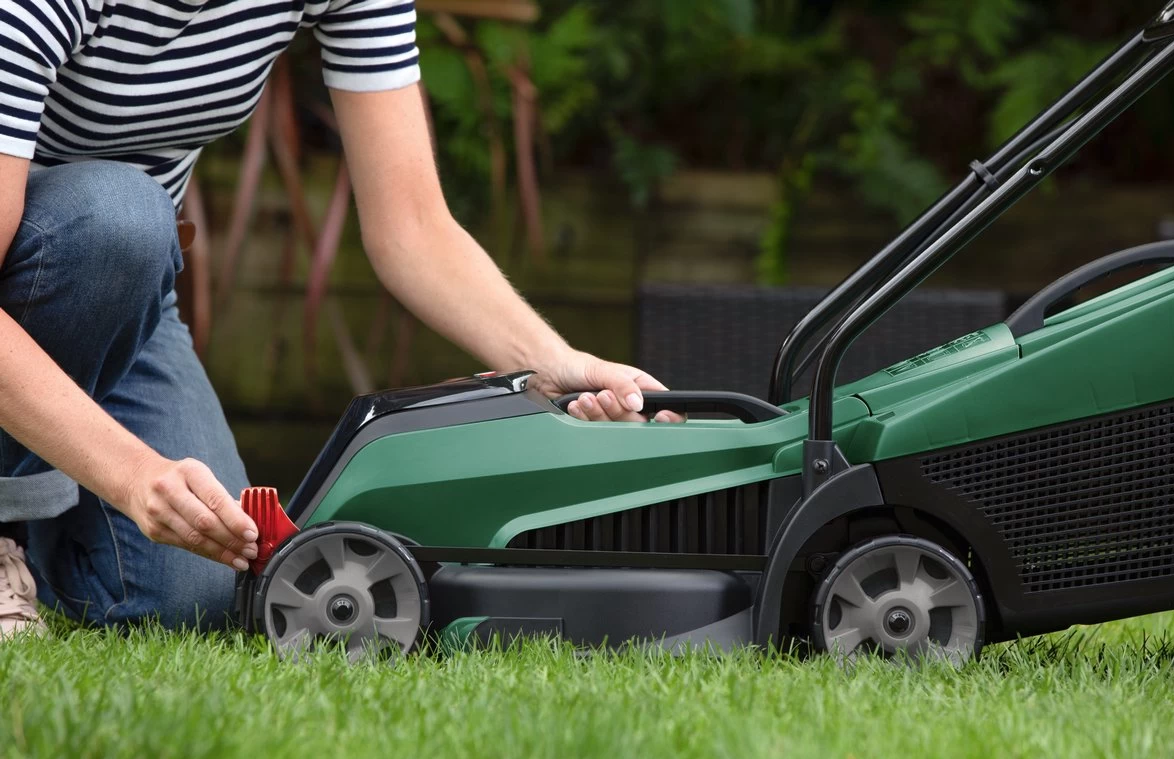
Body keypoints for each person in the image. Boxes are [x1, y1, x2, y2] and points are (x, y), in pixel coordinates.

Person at [0, 0, 681, 637]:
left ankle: (31, 535)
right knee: (119, 219)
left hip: (126, 298)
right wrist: (130, 475)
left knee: (198, 588)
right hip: (75, 254)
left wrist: (555, 362)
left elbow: (412, 227)